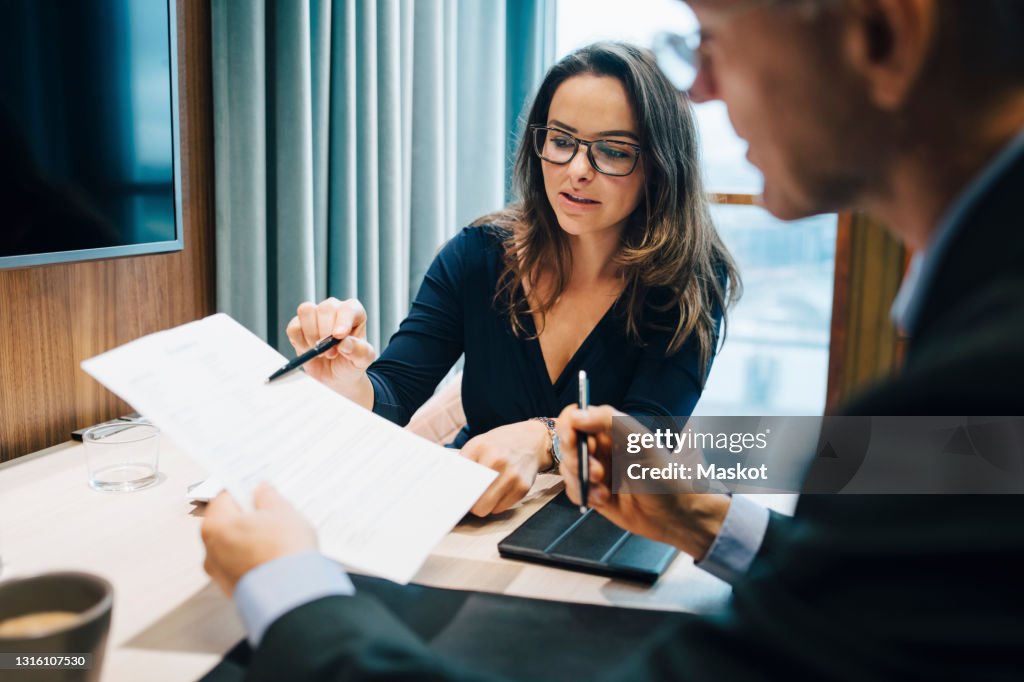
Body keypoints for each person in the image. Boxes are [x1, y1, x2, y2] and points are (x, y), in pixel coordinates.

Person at [201, 0, 1024, 678]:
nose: (701, 86)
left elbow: (663, 442)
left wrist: (286, 586)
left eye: (716, 39)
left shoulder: (963, 395)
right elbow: (859, 588)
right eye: (559, 142)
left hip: (566, 575)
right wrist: (709, 519)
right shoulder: (481, 253)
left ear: (886, 34)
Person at [285, 42, 737, 516]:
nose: (578, 171)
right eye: (561, 142)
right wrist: (350, 383)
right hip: (476, 511)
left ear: (660, 166)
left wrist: (546, 440)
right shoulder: (477, 255)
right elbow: (395, 394)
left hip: (593, 524)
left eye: (613, 151)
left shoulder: (689, 278)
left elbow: (651, 436)